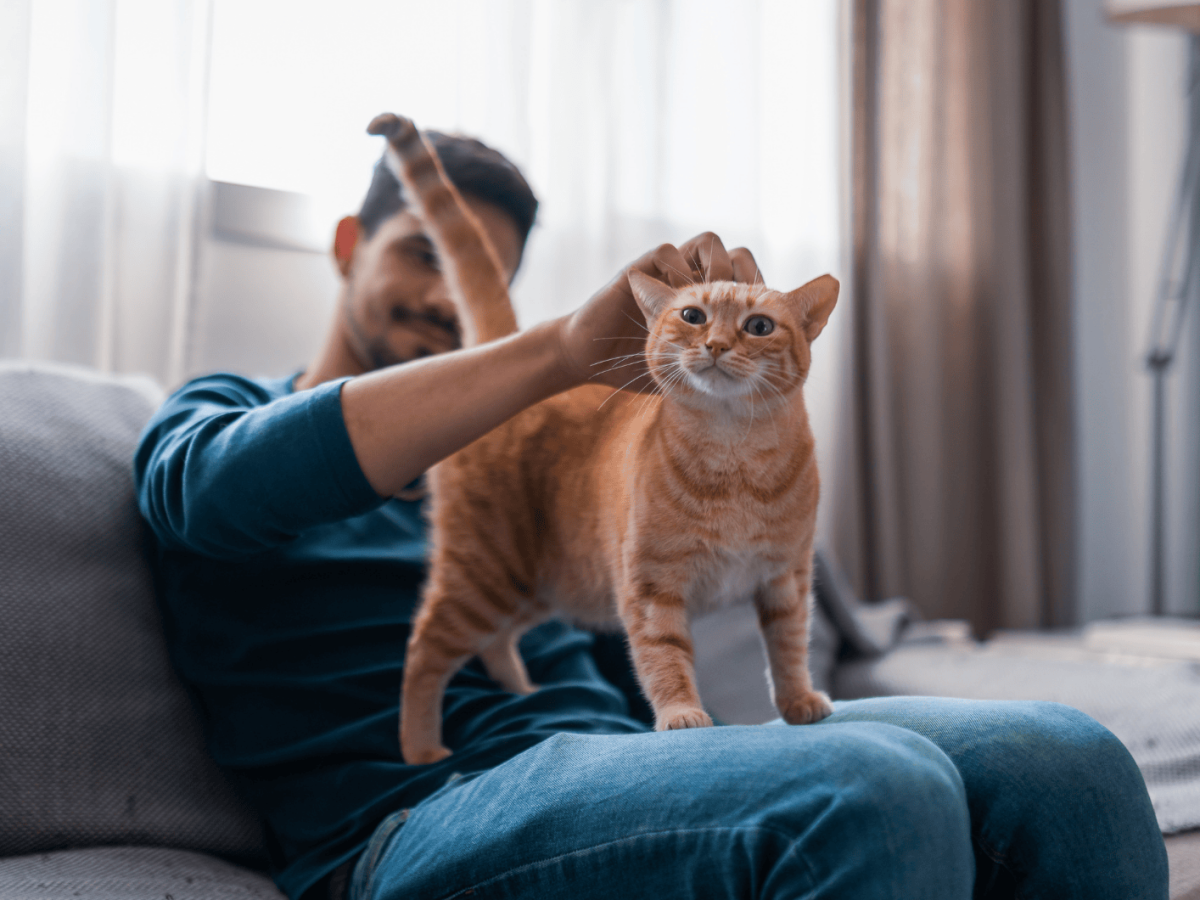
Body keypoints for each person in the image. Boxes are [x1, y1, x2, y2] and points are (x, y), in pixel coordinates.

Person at [134, 130, 1168, 900]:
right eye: (424, 256)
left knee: (1064, 757)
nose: (451, 301)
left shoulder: (533, 446)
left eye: (480, 280)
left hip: (623, 758)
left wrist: (732, 368)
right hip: (406, 822)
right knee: (868, 788)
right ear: (351, 244)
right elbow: (214, 496)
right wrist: (544, 355)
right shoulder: (221, 411)